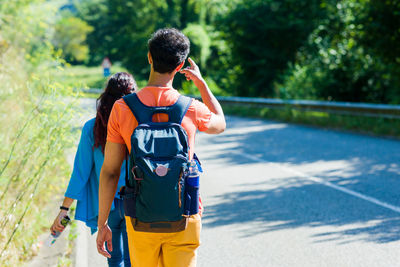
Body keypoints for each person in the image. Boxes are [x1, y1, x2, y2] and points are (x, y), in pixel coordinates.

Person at [96, 28, 226, 267]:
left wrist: (103, 223)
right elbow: (221, 122)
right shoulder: (192, 108)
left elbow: (111, 172)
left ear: (149, 57)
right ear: (180, 67)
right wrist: (200, 82)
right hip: (185, 214)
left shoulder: (122, 109)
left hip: (140, 217)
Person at [50, 72, 137, 267]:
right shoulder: (138, 126)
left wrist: (64, 209)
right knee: (134, 261)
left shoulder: (93, 128)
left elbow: (80, 173)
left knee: (114, 259)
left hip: (108, 205)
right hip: (136, 202)